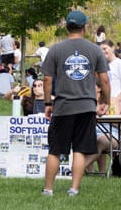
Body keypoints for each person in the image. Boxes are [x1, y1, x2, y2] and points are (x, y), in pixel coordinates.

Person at [40, 10, 109, 197]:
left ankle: (48, 189)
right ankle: (74, 189)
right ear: (85, 27)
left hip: (63, 106)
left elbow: (47, 79)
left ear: (66, 27)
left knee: (55, 150)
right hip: (87, 106)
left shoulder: (55, 49)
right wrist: (106, 102)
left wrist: (47, 103)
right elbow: (104, 79)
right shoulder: (95, 50)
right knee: (80, 149)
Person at [101, 42, 121, 114]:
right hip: (105, 105)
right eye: (101, 50)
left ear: (112, 48)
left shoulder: (120, 64)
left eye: (105, 48)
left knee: (115, 124)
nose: (103, 51)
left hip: (116, 105)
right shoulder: (103, 65)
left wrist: (116, 100)